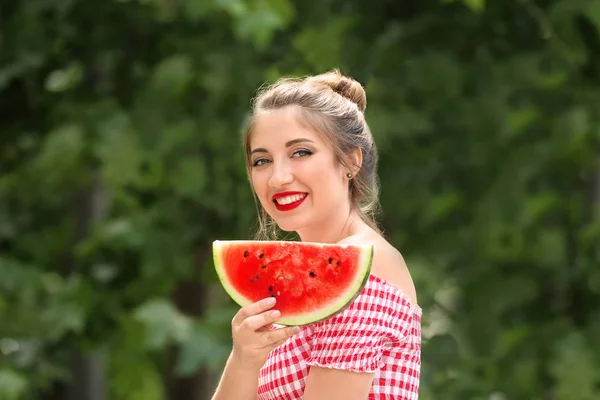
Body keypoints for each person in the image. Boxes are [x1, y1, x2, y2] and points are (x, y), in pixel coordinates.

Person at [211, 69, 422, 400]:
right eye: (262, 160)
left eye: (301, 152)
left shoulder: (369, 267)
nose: (278, 178)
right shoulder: (300, 285)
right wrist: (243, 359)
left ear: (350, 161)